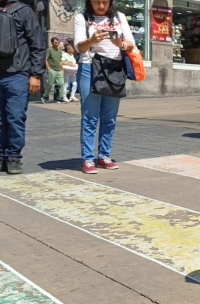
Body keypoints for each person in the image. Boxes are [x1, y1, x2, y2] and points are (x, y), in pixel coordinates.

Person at [74, 0, 135, 174]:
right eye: (97, 2)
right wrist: (91, 40)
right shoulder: (82, 18)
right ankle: (87, 159)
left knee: (110, 117)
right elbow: (79, 48)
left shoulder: (119, 17)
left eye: (105, 2)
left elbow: (131, 43)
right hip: (90, 67)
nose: (101, 6)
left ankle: (104, 156)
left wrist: (120, 44)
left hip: (114, 69)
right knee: (90, 116)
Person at [0, 0, 46, 174]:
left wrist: (35, 74)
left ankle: (13, 158)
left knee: (15, 118)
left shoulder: (24, 11)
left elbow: (38, 44)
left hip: (18, 75)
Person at [41, 37, 66, 104]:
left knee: (61, 84)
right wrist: (49, 68)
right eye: (55, 42)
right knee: (50, 84)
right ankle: (45, 96)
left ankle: (60, 97)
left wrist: (62, 69)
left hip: (59, 70)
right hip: (52, 70)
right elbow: (46, 59)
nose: (57, 44)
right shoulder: (49, 50)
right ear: (52, 43)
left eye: (58, 42)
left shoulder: (59, 51)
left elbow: (61, 61)